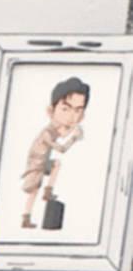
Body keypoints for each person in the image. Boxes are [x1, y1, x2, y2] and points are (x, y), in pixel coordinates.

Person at [19, 76, 89, 229]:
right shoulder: (46, 133)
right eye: (65, 109)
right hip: (37, 163)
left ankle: (48, 191)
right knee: (33, 191)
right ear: (51, 111)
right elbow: (61, 148)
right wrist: (74, 138)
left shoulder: (55, 129)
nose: (72, 116)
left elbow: (63, 134)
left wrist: (73, 131)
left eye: (78, 111)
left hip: (44, 162)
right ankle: (26, 217)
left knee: (56, 164)